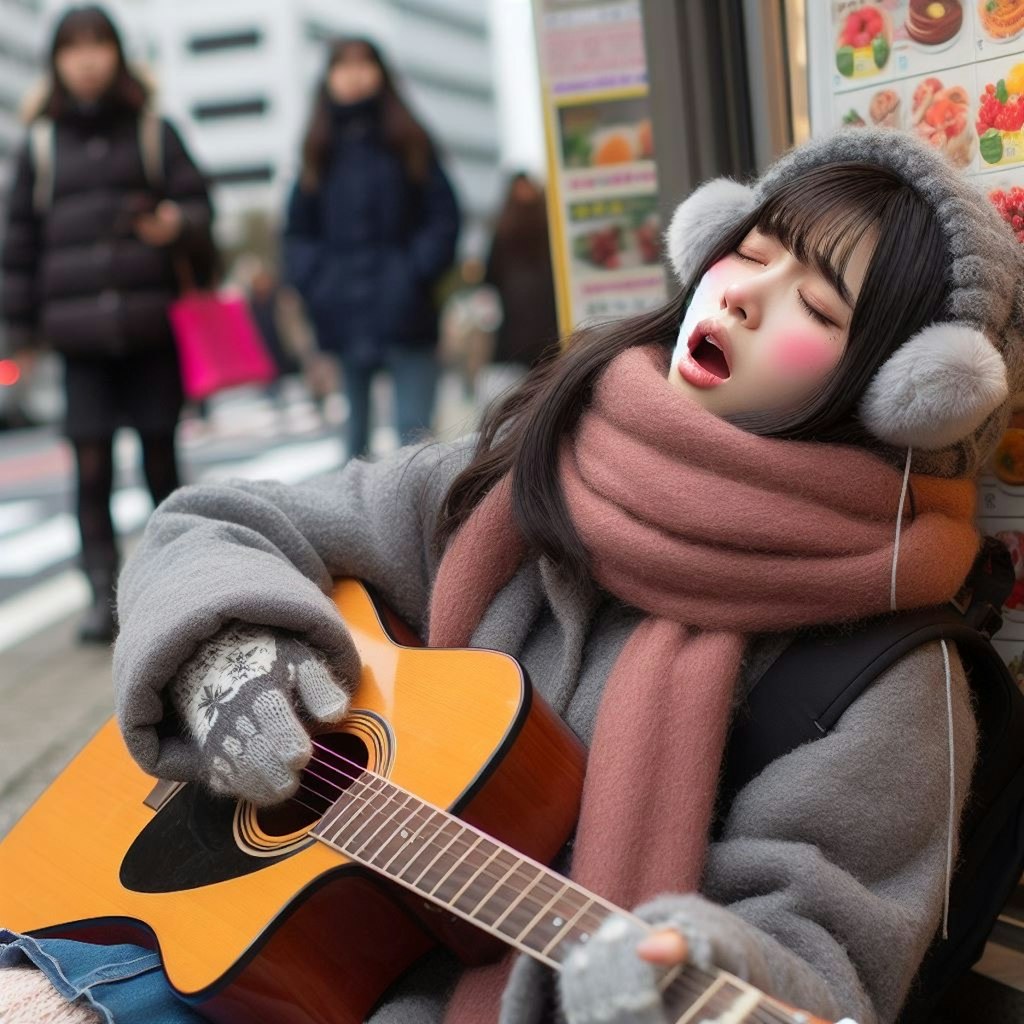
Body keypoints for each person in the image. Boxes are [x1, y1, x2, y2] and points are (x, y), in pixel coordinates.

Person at [3, 128, 1021, 1024]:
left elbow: (819, 967)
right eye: (747, 254)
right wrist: (225, 658)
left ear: (905, 394)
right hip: (218, 957)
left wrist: (695, 973)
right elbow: (216, 522)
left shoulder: (890, 680)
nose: (745, 297)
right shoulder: (521, 462)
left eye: (814, 302)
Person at [0, 4, 213, 644]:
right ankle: (103, 595)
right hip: (81, 343)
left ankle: (181, 582)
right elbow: (18, 245)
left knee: (159, 462)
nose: (87, 59)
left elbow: (201, 206)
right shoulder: (40, 144)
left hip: (151, 331)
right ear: (56, 62)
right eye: (73, 48)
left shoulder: (153, 130)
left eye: (98, 45)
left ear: (118, 53)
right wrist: (18, 334)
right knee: (89, 468)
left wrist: (179, 223)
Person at [283, 37, 460, 461]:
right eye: (342, 66)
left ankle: (420, 527)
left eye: (364, 64)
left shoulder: (410, 142)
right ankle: (355, 529)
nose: (354, 75)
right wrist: (319, 281)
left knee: (415, 443)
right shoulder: (317, 152)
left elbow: (444, 216)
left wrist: (414, 272)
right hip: (342, 312)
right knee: (352, 446)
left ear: (382, 73)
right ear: (327, 79)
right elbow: (296, 233)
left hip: (407, 309)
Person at [478, 171, 559, 411]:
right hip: (538, 328)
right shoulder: (547, 230)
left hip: (517, 331)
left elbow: (488, 279)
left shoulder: (502, 230)